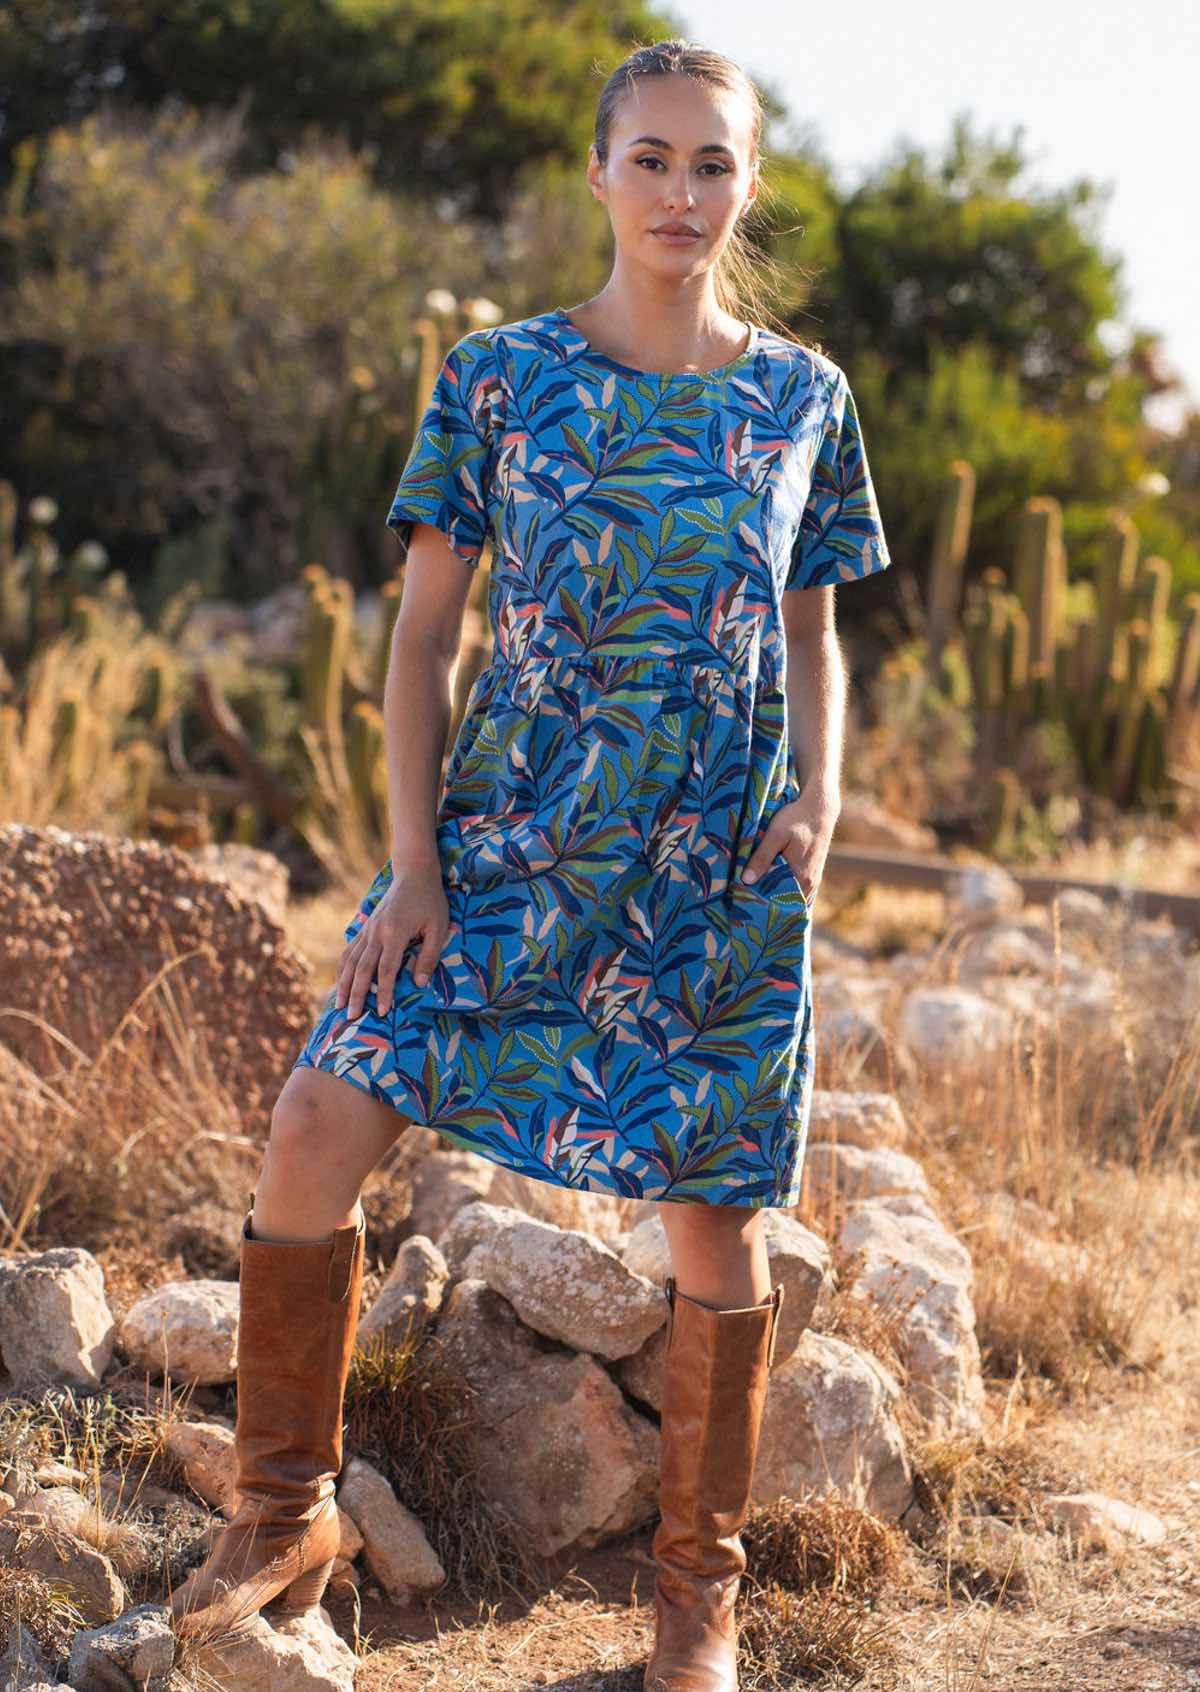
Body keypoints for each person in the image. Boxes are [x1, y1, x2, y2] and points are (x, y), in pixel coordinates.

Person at [168, 36, 891, 1690]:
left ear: (747, 186)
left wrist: (823, 797)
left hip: (709, 864)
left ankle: (696, 1602)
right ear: (598, 171)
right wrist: (413, 866)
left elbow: (813, 629)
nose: (682, 193)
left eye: (713, 164)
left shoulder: (804, 399)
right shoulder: (499, 377)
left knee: (714, 1227)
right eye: (653, 159)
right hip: (508, 838)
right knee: (316, 1119)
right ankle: (283, 1516)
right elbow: (423, 642)